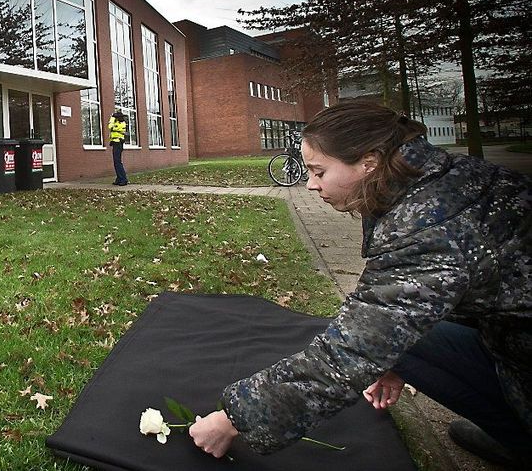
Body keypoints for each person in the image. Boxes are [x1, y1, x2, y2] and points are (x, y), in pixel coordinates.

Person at [188, 102, 531, 468]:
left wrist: (233, 419)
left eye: (319, 171)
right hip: (512, 337)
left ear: (368, 162)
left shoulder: (427, 228)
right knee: (403, 341)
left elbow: (350, 352)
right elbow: (482, 281)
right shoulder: (445, 177)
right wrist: (395, 358)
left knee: (387, 341)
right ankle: (513, 435)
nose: (310, 184)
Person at [107, 111, 128, 186]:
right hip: (116, 143)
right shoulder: (119, 122)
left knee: (118, 162)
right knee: (116, 162)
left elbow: (110, 127)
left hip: (118, 143)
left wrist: (112, 118)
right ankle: (119, 178)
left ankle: (123, 179)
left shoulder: (120, 124)